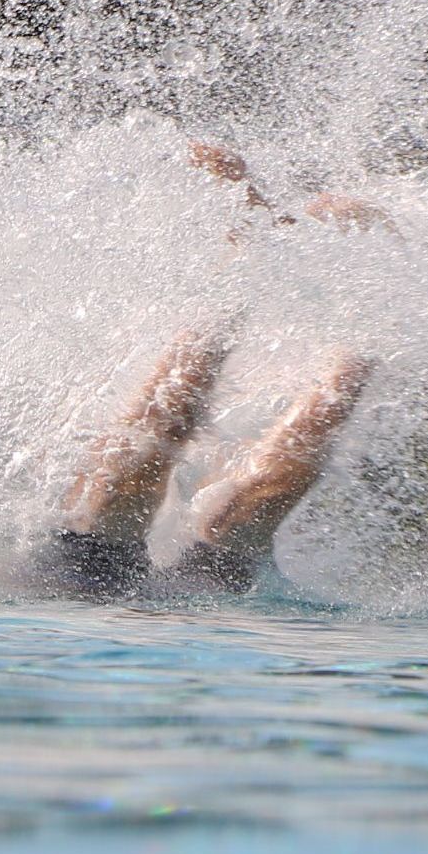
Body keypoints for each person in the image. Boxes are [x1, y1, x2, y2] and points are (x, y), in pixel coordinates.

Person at [30, 139, 378, 601]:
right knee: (262, 499)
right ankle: (366, 325)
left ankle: (247, 261)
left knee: (143, 461)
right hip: (195, 590)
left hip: (87, 575)